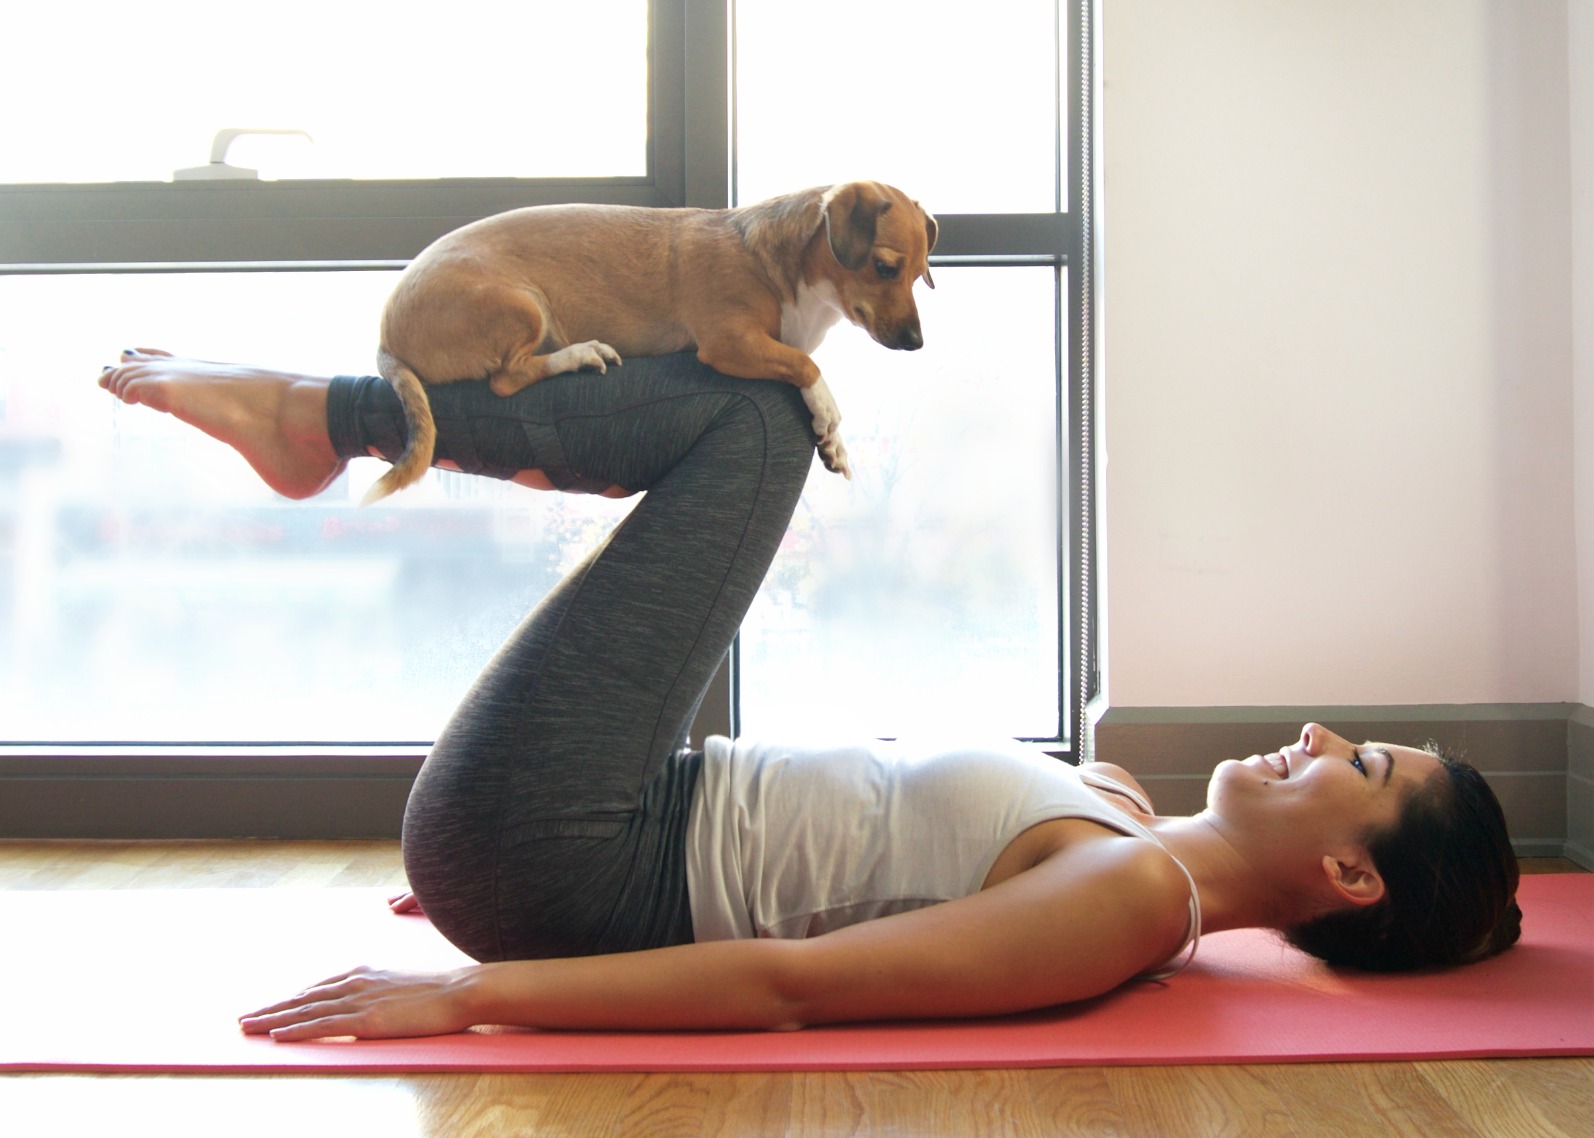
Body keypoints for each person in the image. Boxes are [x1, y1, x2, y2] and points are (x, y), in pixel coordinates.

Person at [97, 348, 1522, 1041]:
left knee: (762, 416)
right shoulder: (1118, 812)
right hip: (596, 825)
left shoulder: (1135, 902)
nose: (1322, 733)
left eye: (1368, 767)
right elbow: (837, 835)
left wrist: (480, 990)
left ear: (1346, 870)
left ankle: (331, 420)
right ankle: (330, 420)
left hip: (581, 856)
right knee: (754, 416)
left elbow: (798, 981)